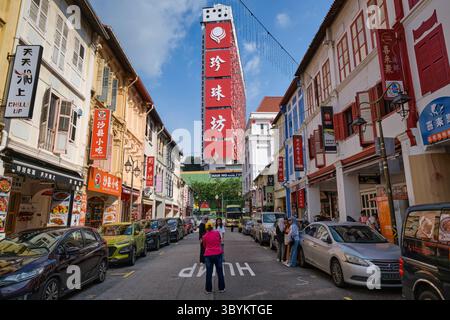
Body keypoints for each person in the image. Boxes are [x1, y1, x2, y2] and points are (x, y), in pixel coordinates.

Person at [202, 221, 225, 294]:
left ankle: (208, 290)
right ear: (212, 227)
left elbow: (204, 246)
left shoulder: (204, 236)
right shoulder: (217, 233)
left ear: (206, 228)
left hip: (208, 255)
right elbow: (219, 241)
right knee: (220, 272)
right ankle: (221, 288)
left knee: (209, 273)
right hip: (218, 254)